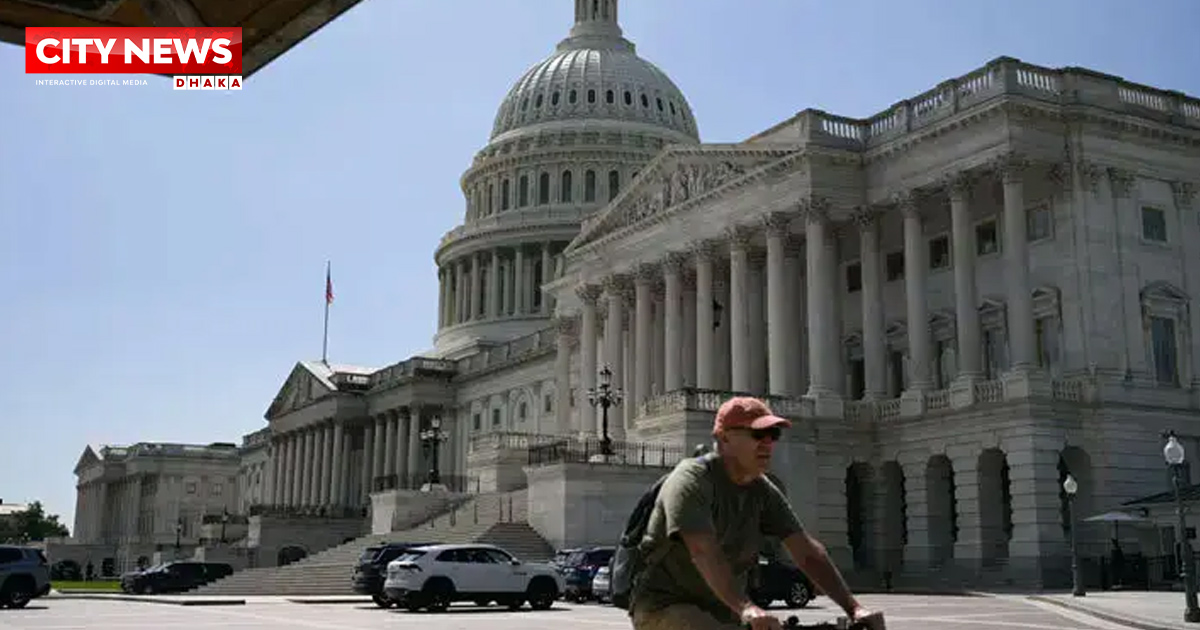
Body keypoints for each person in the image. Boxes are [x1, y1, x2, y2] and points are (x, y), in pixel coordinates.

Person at [629, 396, 883, 630]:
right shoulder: (691, 479)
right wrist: (747, 608)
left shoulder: (760, 489)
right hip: (664, 606)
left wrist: (854, 608)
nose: (768, 443)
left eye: (773, 434)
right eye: (758, 433)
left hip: (724, 609)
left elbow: (805, 550)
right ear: (724, 438)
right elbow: (703, 550)